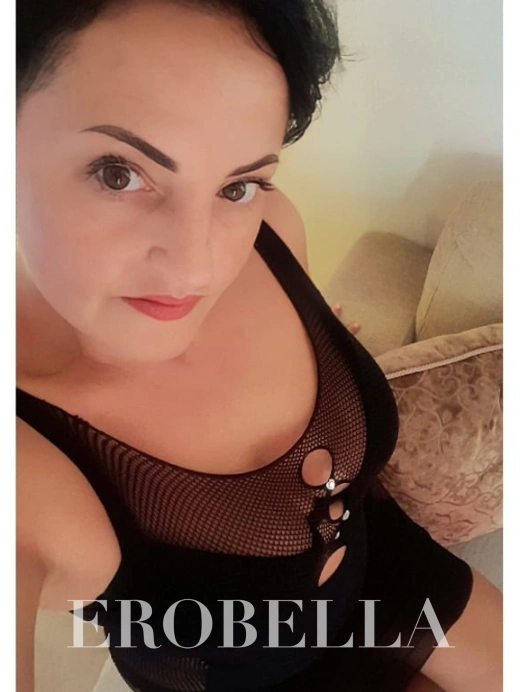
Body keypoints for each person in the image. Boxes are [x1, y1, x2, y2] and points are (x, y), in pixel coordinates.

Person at [16, 2, 502, 691]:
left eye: (236, 184)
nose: (197, 267)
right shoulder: (24, 466)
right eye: (117, 173)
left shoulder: (272, 227)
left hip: (389, 574)